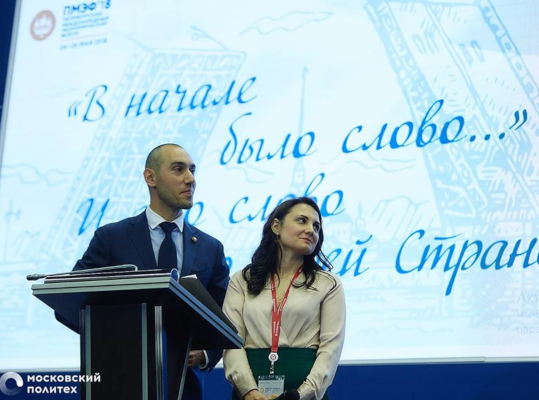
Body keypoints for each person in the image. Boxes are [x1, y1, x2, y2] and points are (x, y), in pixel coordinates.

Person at [57, 143, 230, 400]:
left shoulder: (210, 247)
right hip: (118, 385)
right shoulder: (111, 238)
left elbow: (224, 313)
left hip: (185, 388)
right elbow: (70, 301)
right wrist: (111, 343)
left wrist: (206, 353)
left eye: (192, 170)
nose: (190, 179)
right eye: (178, 169)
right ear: (151, 177)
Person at [223, 197, 346, 400]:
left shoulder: (328, 283)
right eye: (302, 221)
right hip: (250, 393)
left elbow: (331, 349)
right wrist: (248, 391)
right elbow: (231, 341)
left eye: (316, 226)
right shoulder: (242, 279)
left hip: (304, 394)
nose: (310, 230)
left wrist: (301, 395)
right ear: (276, 227)